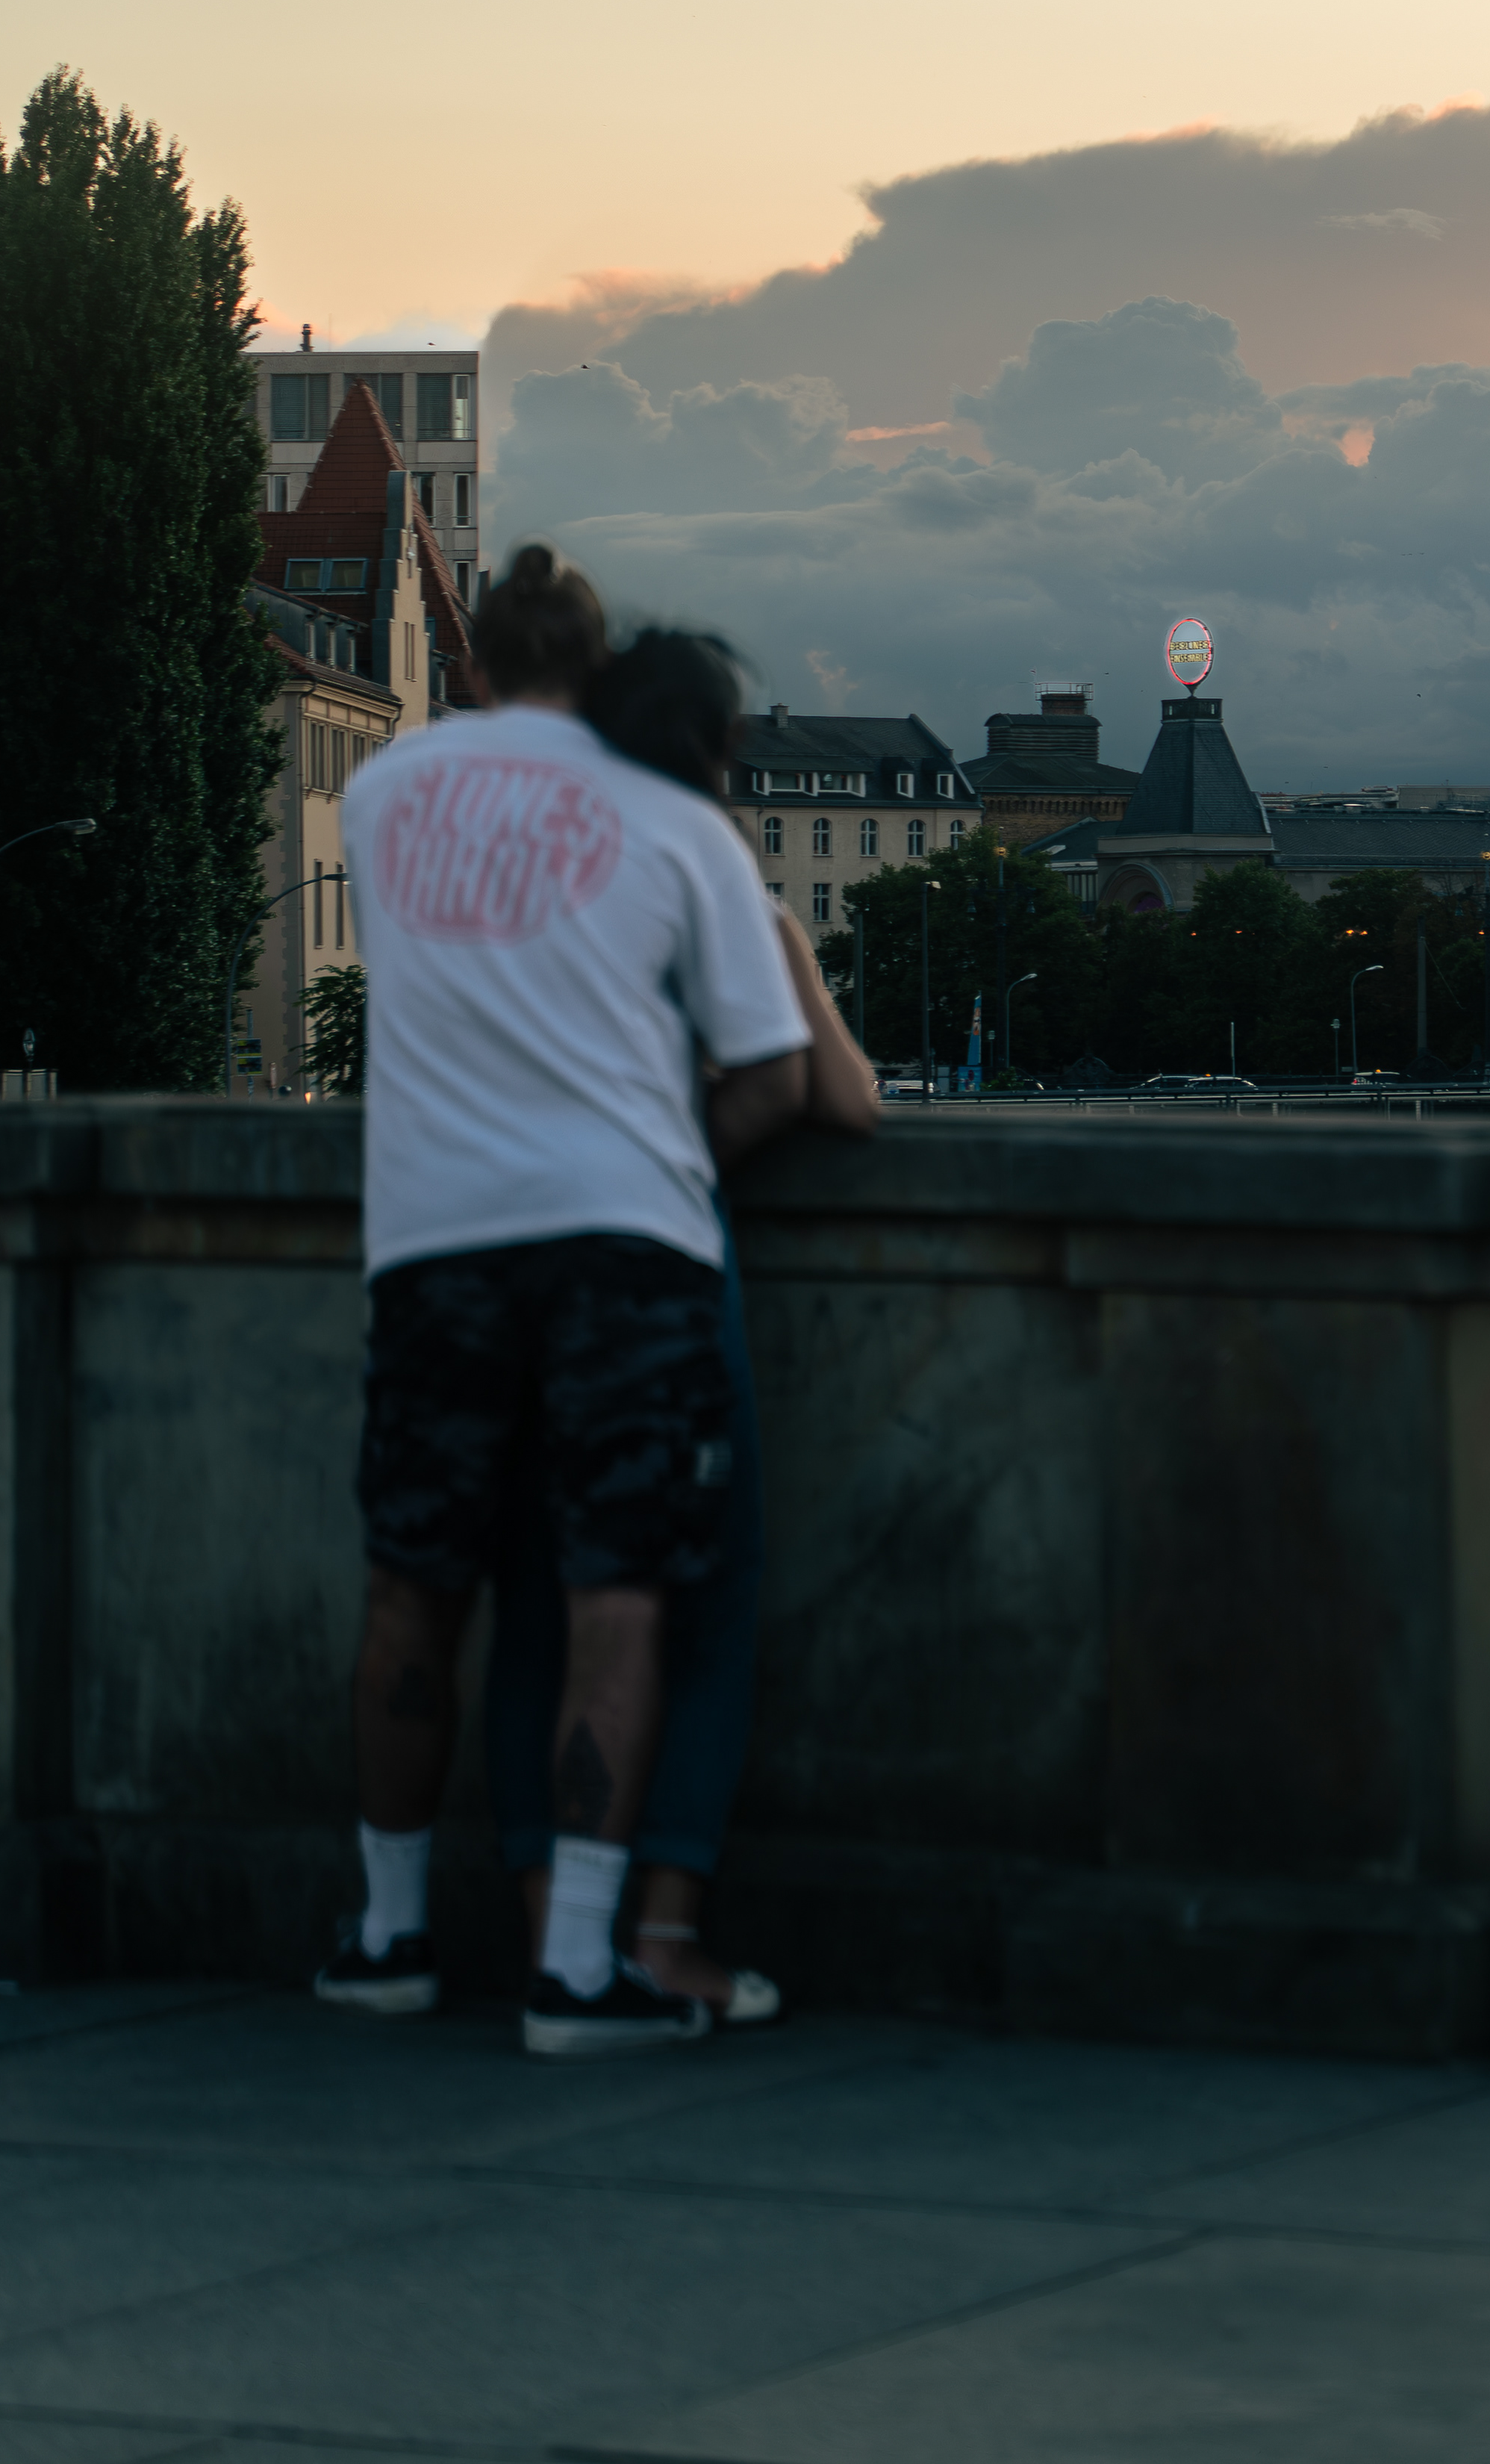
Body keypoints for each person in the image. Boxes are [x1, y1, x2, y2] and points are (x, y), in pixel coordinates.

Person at [314, 547, 826, 2056]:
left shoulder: (386, 792)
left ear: (469, 665)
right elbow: (769, 1072)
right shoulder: (676, 827)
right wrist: (662, 1161)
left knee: (415, 1586)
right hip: (623, 1249)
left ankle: (389, 1934)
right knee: (621, 1594)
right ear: (598, 674)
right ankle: (581, 1972)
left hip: (434, 1241)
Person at [483, 628, 876, 2018]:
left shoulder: (537, 869)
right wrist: (786, 950)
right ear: (720, 751)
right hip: (651, 1275)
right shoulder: (703, 868)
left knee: (535, 1599)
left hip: (498, 1258)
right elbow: (824, 1093)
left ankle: (543, 1921)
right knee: (694, 1602)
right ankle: (653, 1927)